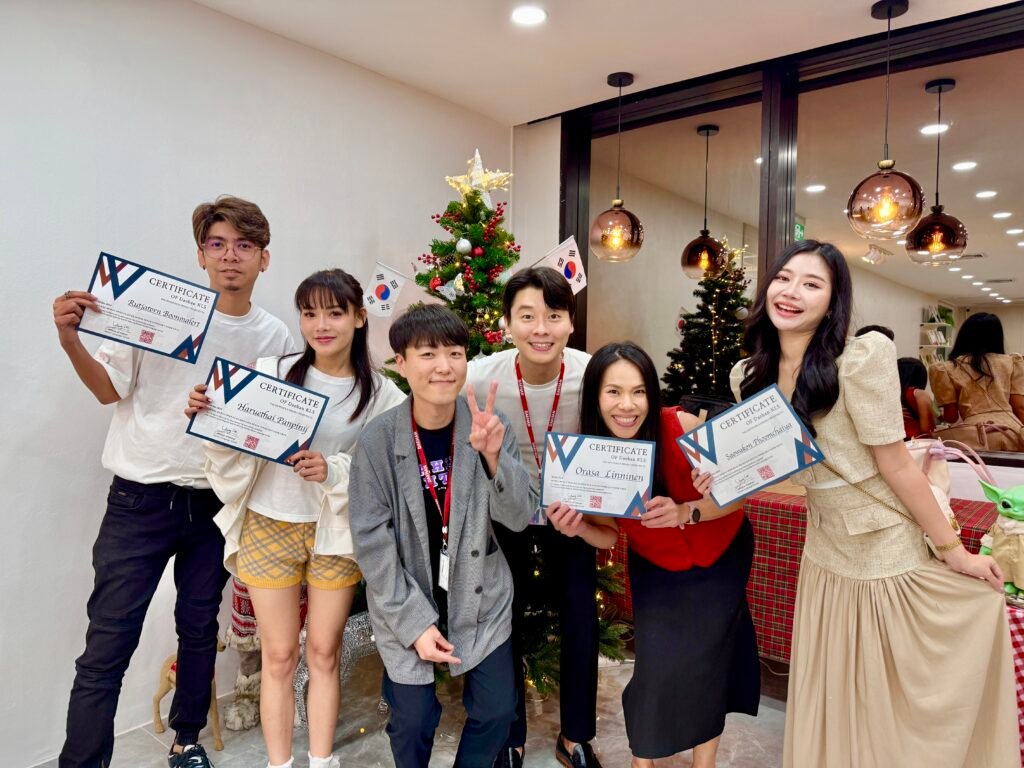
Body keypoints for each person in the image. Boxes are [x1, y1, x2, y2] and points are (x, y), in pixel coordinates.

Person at [731, 240, 1017, 768]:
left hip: (885, 546)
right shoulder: (749, 375)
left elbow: (897, 465)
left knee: (890, 695)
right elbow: (773, 468)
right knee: (838, 688)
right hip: (824, 551)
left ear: (832, 302)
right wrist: (722, 473)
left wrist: (954, 552)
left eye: (812, 284)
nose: (791, 292)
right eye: (784, 278)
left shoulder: (860, 359)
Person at [52, 196, 294, 768]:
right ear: (200, 255)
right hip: (139, 500)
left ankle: (187, 741)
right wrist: (70, 340)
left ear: (263, 259)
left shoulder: (275, 335)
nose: (230, 256)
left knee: (199, 628)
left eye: (244, 245)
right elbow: (108, 390)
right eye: (217, 244)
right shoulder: (159, 310)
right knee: (108, 642)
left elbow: (270, 427)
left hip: (216, 504)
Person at [186, 269, 406, 768]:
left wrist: (334, 469)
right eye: (309, 313)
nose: (321, 325)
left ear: (359, 317)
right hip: (269, 522)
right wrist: (210, 413)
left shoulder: (383, 395)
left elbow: (385, 469)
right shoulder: (270, 371)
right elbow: (231, 443)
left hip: (334, 534)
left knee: (324, 654)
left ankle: (321, 761)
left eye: (334, 313)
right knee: (280, 656)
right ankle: (279, 763)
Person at [544, 342, 759, 768]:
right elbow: (607, 535)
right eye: (613, 392)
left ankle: (704, 763)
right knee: (655, 670)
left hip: (722, 555)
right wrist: (579, 527)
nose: (627, 405)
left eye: (639, 392)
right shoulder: (588, 454)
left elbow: (741, 496)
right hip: (656, 565)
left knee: (712, 659)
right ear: (595, 397)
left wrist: (687, 510)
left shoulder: (681, 424)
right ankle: (643, 761)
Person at [348, 304, 535, 768]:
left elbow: (518, 517)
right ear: (401, 363)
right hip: (406, 594)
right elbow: (372, 543)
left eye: (455, 353)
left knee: (497, 711)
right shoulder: (377, 441)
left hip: (482, 594)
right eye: (428, 354)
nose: (444, 366)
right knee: (412, 721)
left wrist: (495, 458)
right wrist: (414, 624)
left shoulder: (489, 425)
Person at [463, 266, 598, 768]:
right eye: (527, 316)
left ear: (570, 323)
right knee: (506, 620)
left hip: (572, 512)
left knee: (581, 616)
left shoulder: (592, 374)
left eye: (554, 315)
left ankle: (575, 737)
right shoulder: (480, 377)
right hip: (506, 510)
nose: (541, 329)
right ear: (506, 323)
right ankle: (511, 735)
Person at [928, 312, 1024, 451]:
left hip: (976, 434)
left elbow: (951, 416)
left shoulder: (946, 368)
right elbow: (1019, 407)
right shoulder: (1012, 362)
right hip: (1012, 430)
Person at [897, 357, 936, 439]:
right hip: (917, 441)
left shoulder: (892, 396)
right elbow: (927, 429)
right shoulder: (919, 394)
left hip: (896, 442)